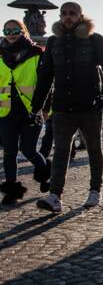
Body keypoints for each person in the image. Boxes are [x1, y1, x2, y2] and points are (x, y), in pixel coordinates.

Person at [32, 2, 103, 212]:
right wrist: (36, 107)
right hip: (62, 106)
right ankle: (55, 196)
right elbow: (45, 78)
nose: (68, 17)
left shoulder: (94, 39)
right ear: (60, 17)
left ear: (80, 16)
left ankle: (95, 190)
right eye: (64, 14)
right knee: (60, 150)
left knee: (93, 149)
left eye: (72, 13)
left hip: (89, 105)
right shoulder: (53, 42)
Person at [0, 20, 51, 205]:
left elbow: (46, 82)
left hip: (31, 108)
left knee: (28, 150)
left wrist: (45, 108)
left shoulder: (36, 52)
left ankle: (46, 174)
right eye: (7, 30)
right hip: (5, 109)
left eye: (15, 30)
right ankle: (12, 191)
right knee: (9, 152)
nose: (11, 33)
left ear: (23, 31)